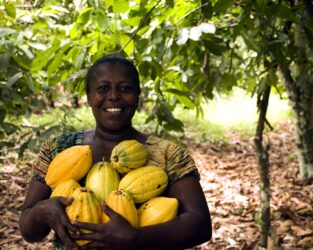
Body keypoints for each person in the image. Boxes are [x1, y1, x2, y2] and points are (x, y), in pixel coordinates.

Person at [19, 55, 212, 250]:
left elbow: (201, 225)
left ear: (137, 95)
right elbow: (29, 230)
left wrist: (136, 238)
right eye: (103, 88)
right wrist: (40, 212)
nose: (113, 96)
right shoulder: (59, 148)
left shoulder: (168, 154)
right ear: (88, 96)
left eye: (125, 88)